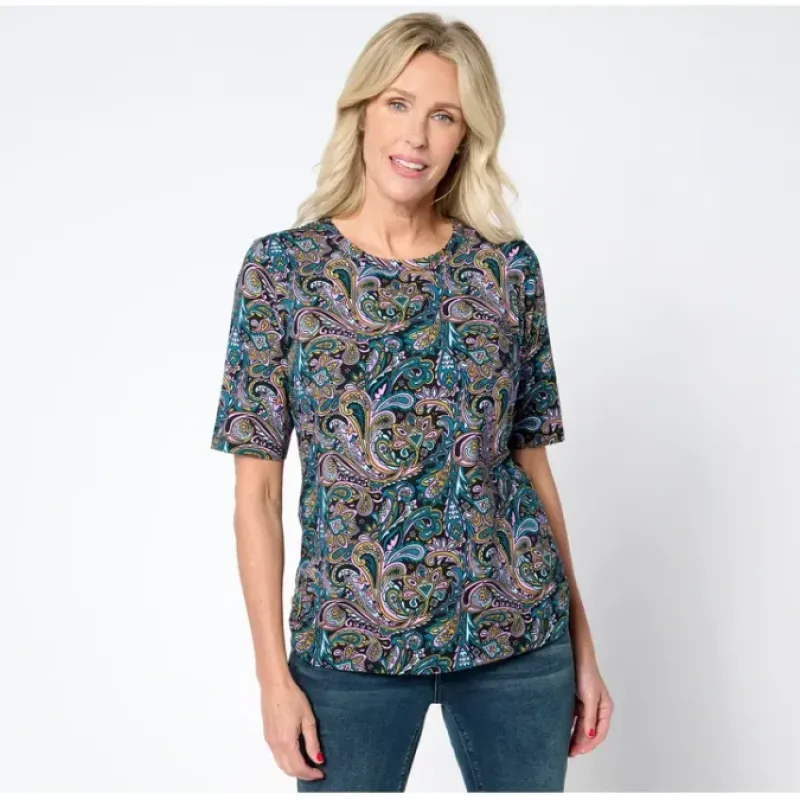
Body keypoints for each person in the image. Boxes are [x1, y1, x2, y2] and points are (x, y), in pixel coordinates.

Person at [209, 11, 614, 793]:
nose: (417, 137)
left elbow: (532, 469)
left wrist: (583, 648)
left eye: (444, 115)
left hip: (517, 635)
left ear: (467, 137)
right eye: (399, 104)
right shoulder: (283, 271)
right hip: (348, 648)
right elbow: (255, 495)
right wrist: (271, 677)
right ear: (361, 111)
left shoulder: (506, 272)